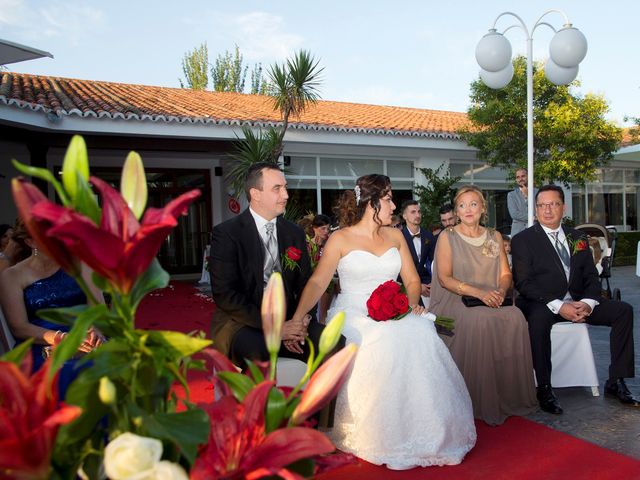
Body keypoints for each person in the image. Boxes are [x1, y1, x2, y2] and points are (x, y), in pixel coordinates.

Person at [289, 174, 476, 470]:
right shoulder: (341, 238)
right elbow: (317, 283)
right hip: (353, 310)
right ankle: (380, 432)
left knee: (422, 333)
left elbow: (412, 280)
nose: (393, 205)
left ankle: (425, 429)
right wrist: (298, 318)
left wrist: (410, 304)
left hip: (395, 308)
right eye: (388, 198)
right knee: (382, 341)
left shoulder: (394, 235)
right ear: (372, 202)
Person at [511, 185, 638, 413]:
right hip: (543, 302)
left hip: (579, 301)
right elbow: (524, 283)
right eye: (542, 205)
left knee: (623, 311)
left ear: (563, 207)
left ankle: (616, 381)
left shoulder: (577, 237)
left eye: (553, 204)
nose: (547, 210)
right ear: (535, 209)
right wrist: (560, 307)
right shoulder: (524, 240)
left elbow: (590, 275)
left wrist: (588, 303)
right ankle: (545, 387)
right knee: (538, 321)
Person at [429, 185, 537, 426]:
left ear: (483, 208)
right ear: (456, 211)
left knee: (516, 316)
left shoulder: (494, 236)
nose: (468, 209)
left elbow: (505, 274)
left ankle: (509, 395)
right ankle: (478, 399)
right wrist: (479, 292)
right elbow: (445, 278)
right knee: (480, 320)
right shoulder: (448, 237)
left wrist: (500, 290)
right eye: (462, 205)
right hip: (455, 300)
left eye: (473, 204)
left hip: (490, 297)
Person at [210, 162, 329, 367]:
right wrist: (275, 329)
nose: (286, 195)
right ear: (256, 194)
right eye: (277, 189)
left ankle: (320, 399)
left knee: (333, 343)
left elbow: (305, 283)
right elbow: (225, 294)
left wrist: (301, 321)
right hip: (244, 323)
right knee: (257, 353)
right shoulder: (228, 233)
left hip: (292, 319)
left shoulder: (294, 232)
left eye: (285, 187)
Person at [0, 219, 104, 396]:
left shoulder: (80, 264)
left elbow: (97, 308)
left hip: (84, 334)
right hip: (40, 341)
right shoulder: (12, 276)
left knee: (107, 363)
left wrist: (94, 328)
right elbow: (19, 327)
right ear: (30, 242)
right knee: (62, 370)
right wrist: (63, 339)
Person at [399, 200, 435, 306]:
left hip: (429, 288)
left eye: (419, 211)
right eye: (413, 212)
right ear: (405, 216)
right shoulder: (399, 237)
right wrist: (418, 286)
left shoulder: (429, 235)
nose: (418, 215)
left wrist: (433, 283)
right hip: (407, 288)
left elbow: (434, 262)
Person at [507, 168, 531, 236]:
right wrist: (533, 218)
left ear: (528, 176)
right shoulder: (511, 195)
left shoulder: (538, 192)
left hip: (535, 231)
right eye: (518, 177)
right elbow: (514, 214)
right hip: (518, 233)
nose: (520, 179)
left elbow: (538, 210)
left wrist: (528, 196)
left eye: (523, 176)